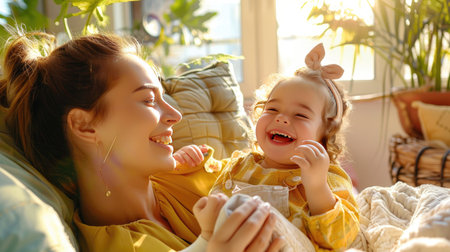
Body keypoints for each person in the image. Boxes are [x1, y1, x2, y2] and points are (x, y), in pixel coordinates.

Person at [0, 31, 285, 252]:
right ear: (84, 125)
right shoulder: (116, 245)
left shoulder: (188, 172)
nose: (175, 114)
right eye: (149, 100)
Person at [177, 43, 360, 251]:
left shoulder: (328, 178)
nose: (281, 118)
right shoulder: (239, 165)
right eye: (272, 109)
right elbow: (209, 182)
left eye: (300, 115)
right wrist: (191, 162)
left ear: (325, 135)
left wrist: (317, 188)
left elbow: (341, 240)